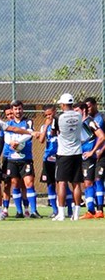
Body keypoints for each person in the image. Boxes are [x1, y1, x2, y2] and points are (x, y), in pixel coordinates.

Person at [4, 100, 40, 218]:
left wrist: (17, 142)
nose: (18, 111)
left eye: (19, 109)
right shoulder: (8, 123)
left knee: (29, 183)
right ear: (12, 110)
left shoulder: (28, 122)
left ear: (22, 109)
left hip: (26, 159)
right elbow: (6, 138)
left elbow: (30, 133)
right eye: (15, 109)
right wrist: (11, 143)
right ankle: (19, 212)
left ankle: (33, 211)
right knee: (15, 184)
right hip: (12, 158)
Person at [53, 93, 85, 221]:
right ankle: (76, 213)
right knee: (76, 184)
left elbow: (54, 132)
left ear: (62, 104)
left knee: (62, 183)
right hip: (77, 152)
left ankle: (61, 213)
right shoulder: (79, 115)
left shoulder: (58, 117)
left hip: (64, 153)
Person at [75, 101, 105, 219]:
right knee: (87, 183)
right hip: (83, 157)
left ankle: (99, 210)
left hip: (93, 157)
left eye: (76, 111)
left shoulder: (90, 122)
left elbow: (102, 136)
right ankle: (90, 210)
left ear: (83, 110)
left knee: (96, 181)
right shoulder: (78, 124)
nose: (74, 113)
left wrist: (93, 151)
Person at [38, 105, 60, 218]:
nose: (48, 116)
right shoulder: (43, 127)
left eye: (50, 114)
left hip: (60, 157)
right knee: (50, 184)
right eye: (46, 115)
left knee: (61, 183)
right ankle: (55, 210)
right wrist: (46, 126)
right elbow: (41, 140)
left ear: (55, 112)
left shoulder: (60, 124)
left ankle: (69, 209)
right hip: (48, 158)